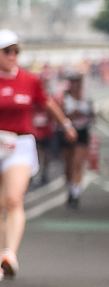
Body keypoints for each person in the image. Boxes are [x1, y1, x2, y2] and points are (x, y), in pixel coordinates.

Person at [0, 31, 74, 278]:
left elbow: (47, 103)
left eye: (16, 51)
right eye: (7, 51)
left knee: (13, 199)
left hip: (20, 143)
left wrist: (66, 124)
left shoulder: (29, 80)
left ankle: (10, 254)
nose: (13, 55)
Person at [58, 69, 96, 207]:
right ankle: (69, 188)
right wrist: (70, 116)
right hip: (67, 133)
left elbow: (93, 118)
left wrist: (86, 115)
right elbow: (58, 117)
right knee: (68, 163)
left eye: (78, 82)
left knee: (77, 163)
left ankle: (75, 192)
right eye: (74, 82)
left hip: (82, 132)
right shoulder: (64, 100)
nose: (76, 85)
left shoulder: (86, 100)